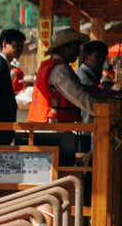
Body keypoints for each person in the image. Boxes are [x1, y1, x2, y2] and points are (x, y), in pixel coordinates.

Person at [27, 28, 119, 165]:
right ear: (64, 49)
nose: (78, 52)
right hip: (54, 131)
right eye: (75, 48)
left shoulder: (55, 67)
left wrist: (111, 94)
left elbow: (84, 90)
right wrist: (108, 115)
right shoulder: (60, 70)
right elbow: (81, 96)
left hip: (50, 128)